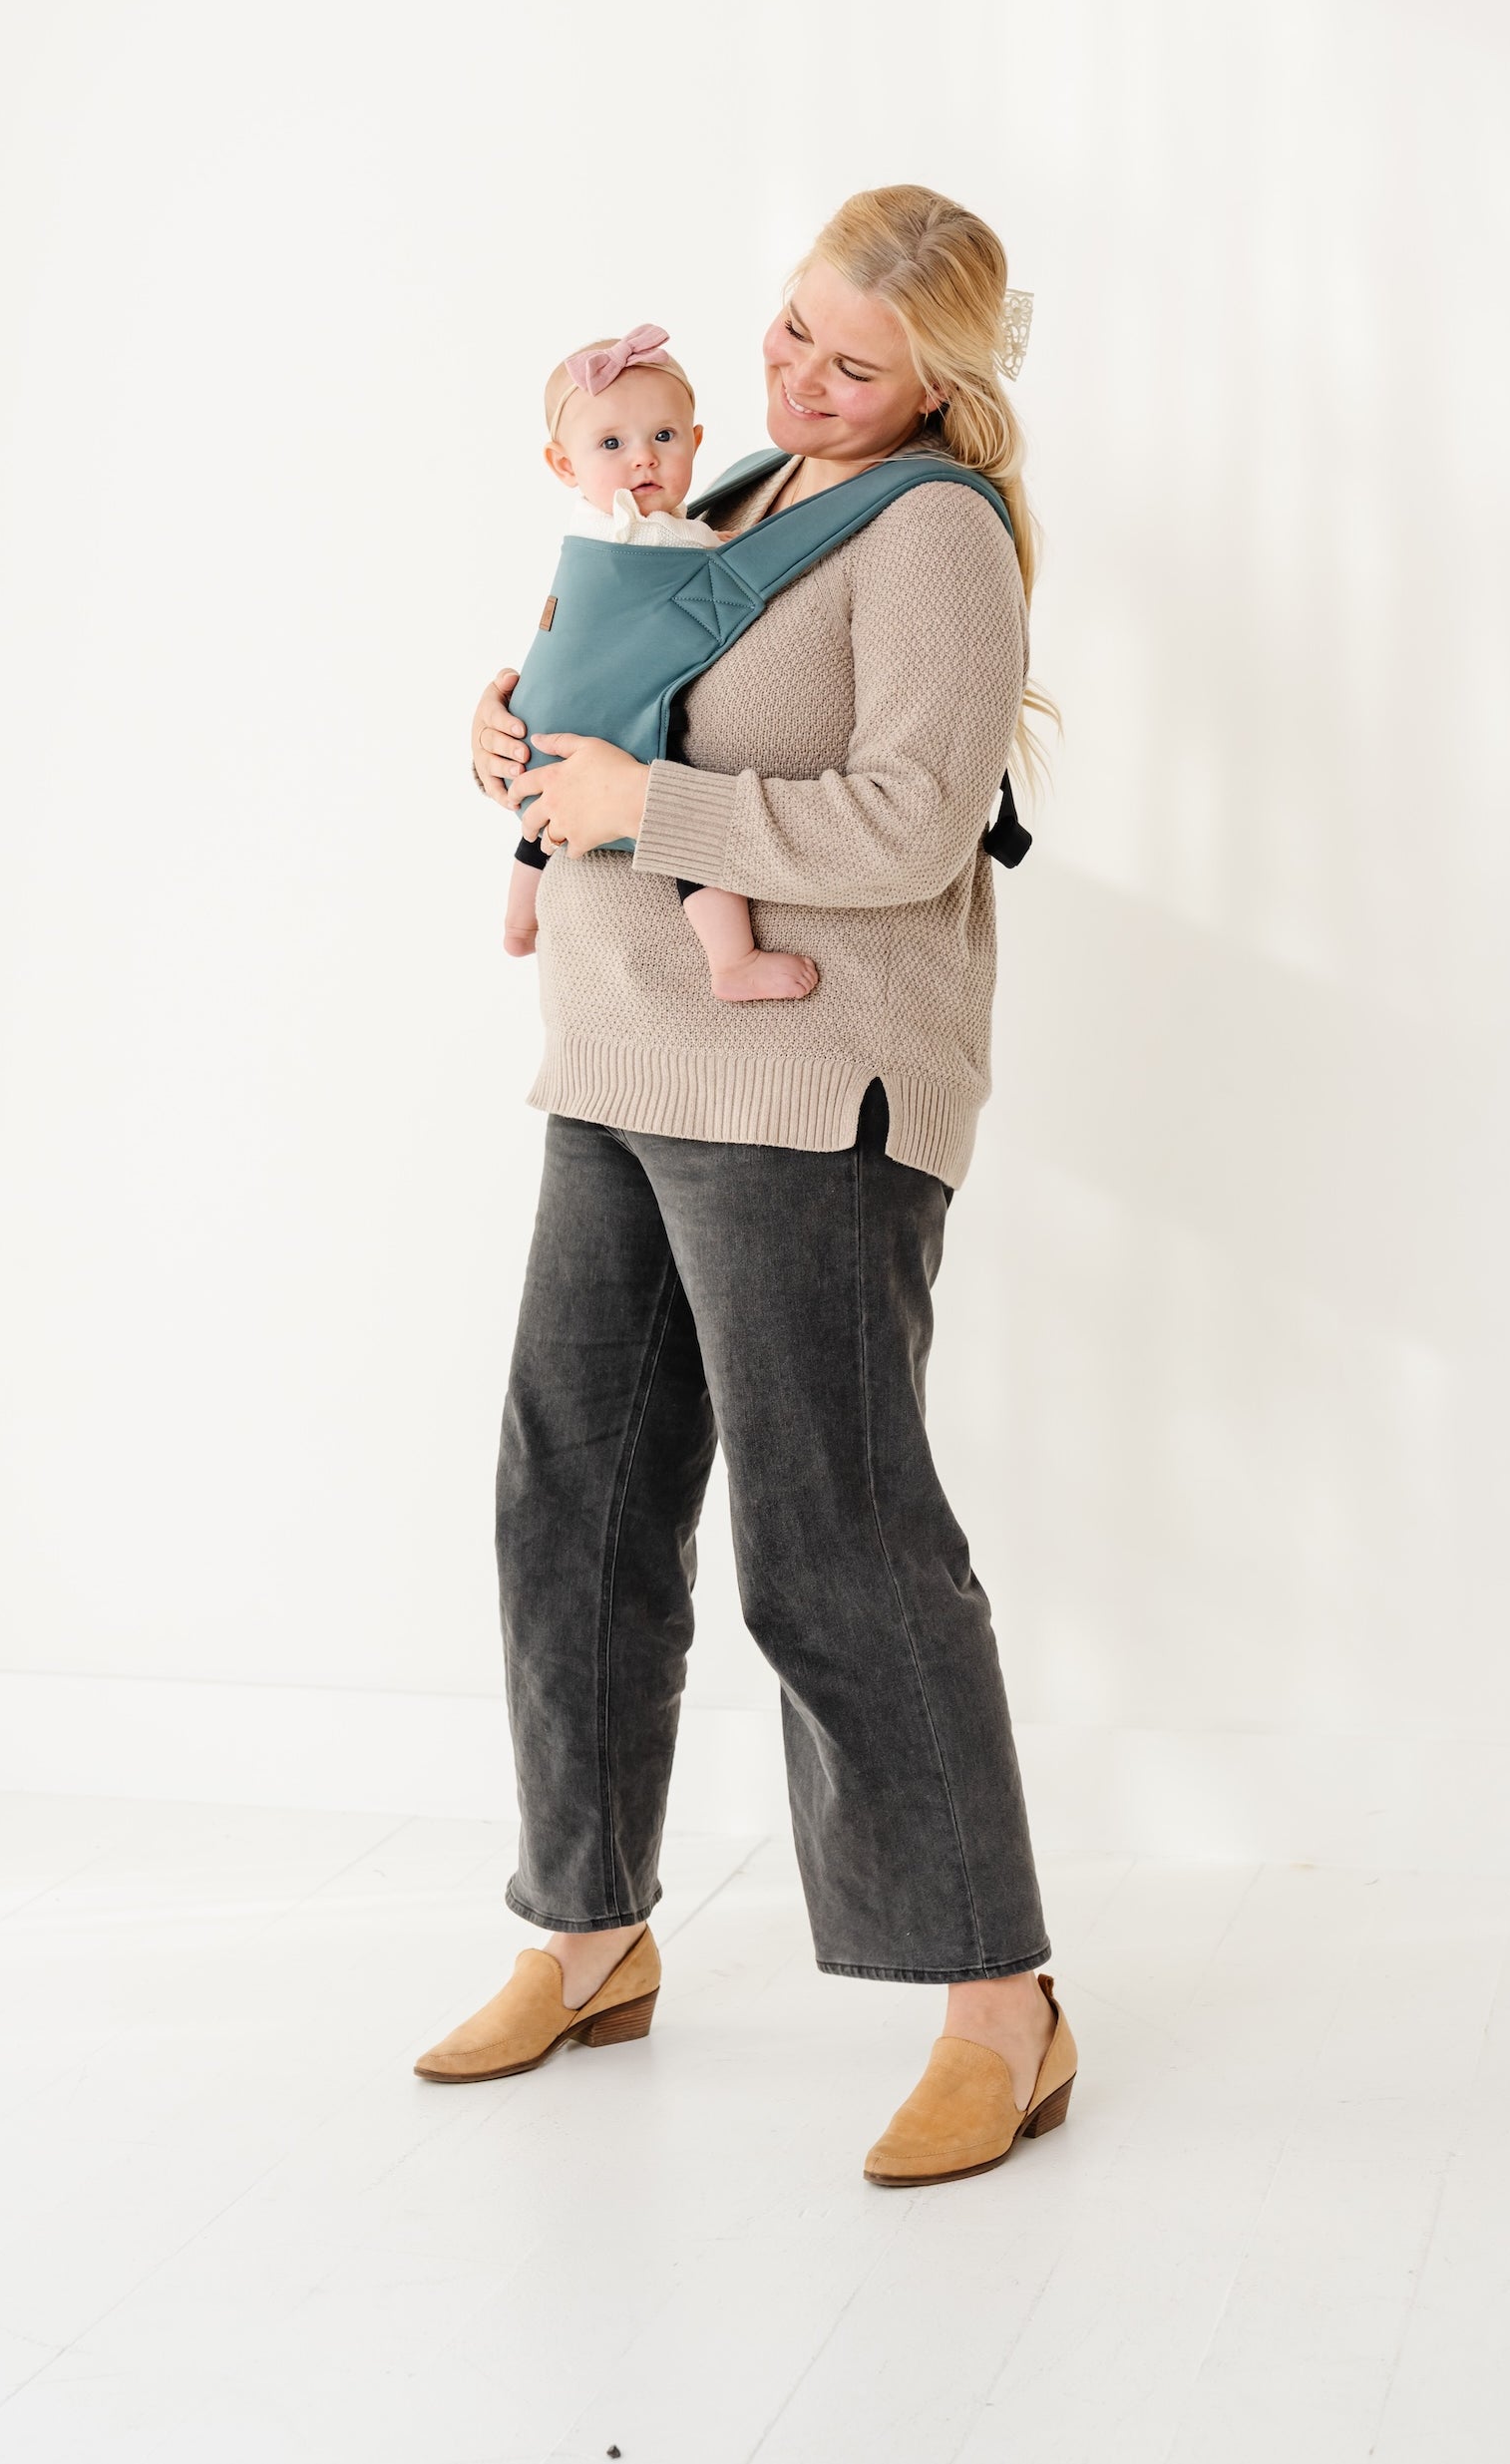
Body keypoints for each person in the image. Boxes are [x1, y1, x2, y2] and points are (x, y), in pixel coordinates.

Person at [416, 184, 1077, 2185]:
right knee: (572, 1500)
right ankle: (589, 1932)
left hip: (805, 1087)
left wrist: (651, 800)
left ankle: (1002, 2007)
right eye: (792, 330)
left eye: (854, 363)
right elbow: (623, 708)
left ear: (939, 382)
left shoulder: (935, 535)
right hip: (620, 1055)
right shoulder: (718, 492)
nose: (800, 378)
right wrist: (518, 746)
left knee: (836, 1540)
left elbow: (911, 823)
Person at [504, 322, 820, 1002]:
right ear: (564, 466)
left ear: (697, 441)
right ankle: (732, 957)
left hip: (542, 715)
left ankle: (518, 918)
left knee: (541, 817)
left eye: (665, 437)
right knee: (687, 818)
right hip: (599, 719)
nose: (643, 459)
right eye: (611, 444)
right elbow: (688, 566)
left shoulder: (620, 522)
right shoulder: (626, 523)